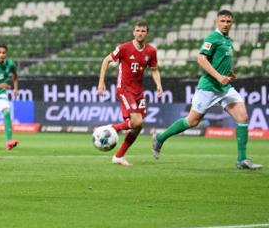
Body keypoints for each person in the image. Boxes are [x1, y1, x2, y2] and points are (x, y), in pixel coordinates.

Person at [152, 10, 262, 170]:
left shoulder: (227, 40)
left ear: (232, 23)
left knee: (243, 117)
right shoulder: (213, 37)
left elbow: (220, 61)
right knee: (192, 121)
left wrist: (228, 73)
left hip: (224, 88)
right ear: (217, 22)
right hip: (209, 87)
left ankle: (242, 160)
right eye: (223, 21)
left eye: (228, 21)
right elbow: (201, 59)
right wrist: (218, 76)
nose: (226, 24)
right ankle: (160, 137)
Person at [97, 21, 163, 166]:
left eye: (143, 31)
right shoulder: (124, 48)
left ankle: (119, 156)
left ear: (147, 33)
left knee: (138, 126)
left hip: (139, 91)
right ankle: (110, 129)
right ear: (133, 32)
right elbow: (106, 60)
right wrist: (101, 82)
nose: (140, 33)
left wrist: (158, 84)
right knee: (137, 121)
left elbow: (154, 70)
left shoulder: (151, 51)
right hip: (124, 89)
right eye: (138, 30)